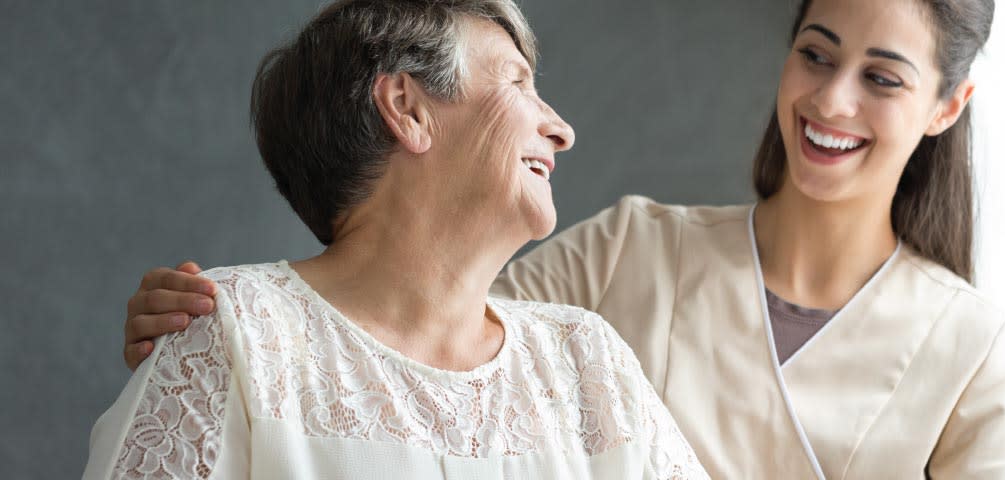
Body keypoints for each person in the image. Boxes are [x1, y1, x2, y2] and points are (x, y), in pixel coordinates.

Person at [121, 0, 1005, 477]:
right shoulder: (632, 255)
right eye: (816, 53)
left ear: (949, 105)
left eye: (883, 77)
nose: (832, 101)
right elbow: (411, 316)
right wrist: (230, 331)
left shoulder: (972, 349)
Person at [85, 1, 707, 478]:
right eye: (517, 83)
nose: (562, 129)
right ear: (407, 107)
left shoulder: (586, 360)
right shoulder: (235, 336)